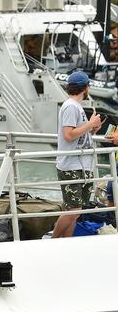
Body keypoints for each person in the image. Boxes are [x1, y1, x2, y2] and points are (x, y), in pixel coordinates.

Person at [53, 71, 102, 238]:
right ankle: (52, 242)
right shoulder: (71, 106)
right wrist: (90, 124)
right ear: (85, 88)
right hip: (71, 165)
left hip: (80, 165)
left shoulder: (75, 106)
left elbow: (76, 135)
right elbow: (68, 135)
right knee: (73, 211)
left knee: (75, 212)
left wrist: (92, 128)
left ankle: (66, 243)